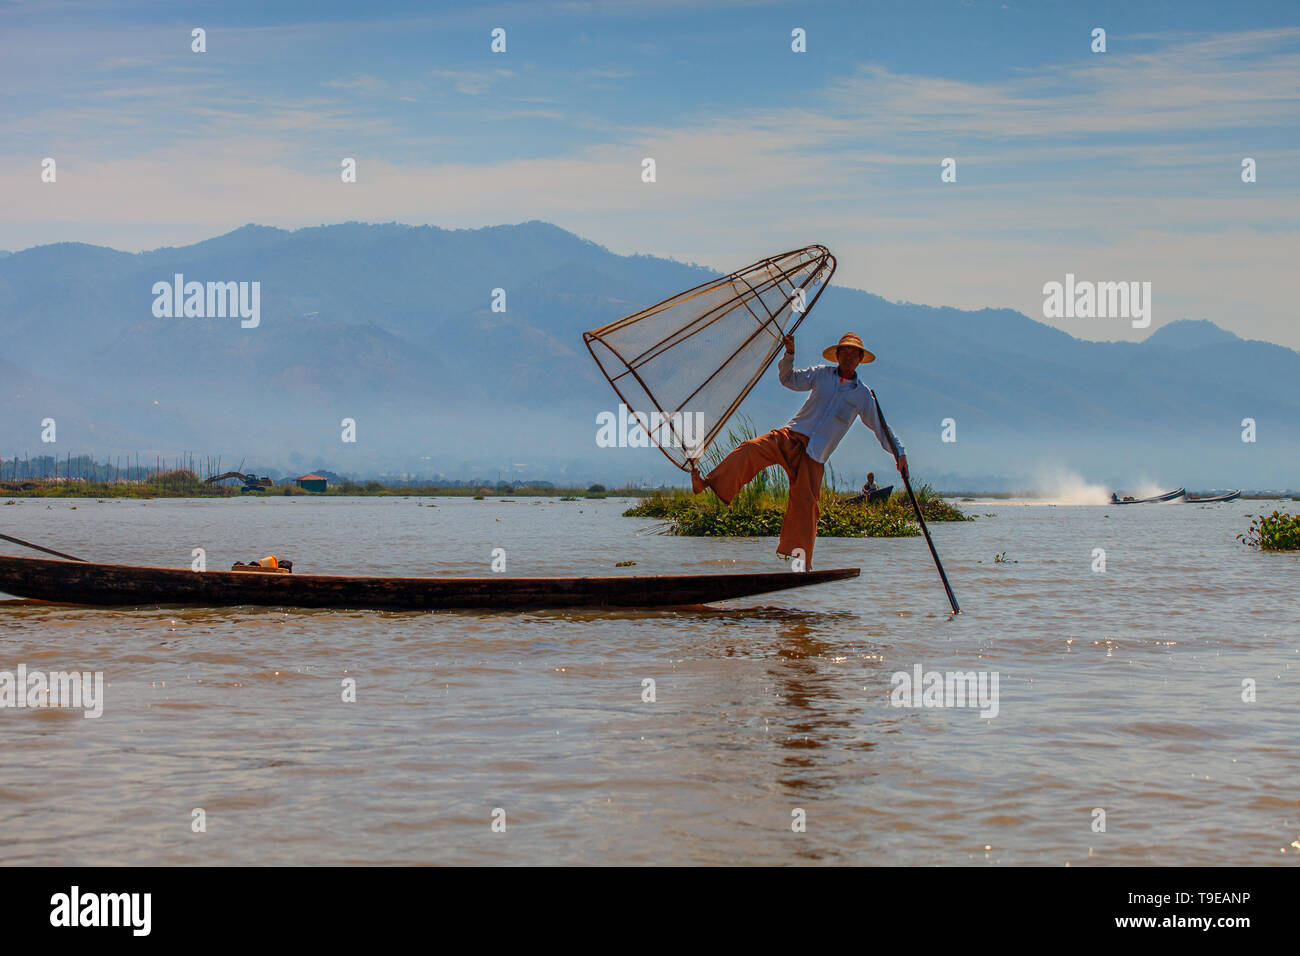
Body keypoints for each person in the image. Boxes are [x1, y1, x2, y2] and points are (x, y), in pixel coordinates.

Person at [690, 332, 907, 569]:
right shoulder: (821, 374)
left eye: (853, 353)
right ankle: (707, 483)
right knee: (751, 449)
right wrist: (789, 354)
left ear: (859, 359)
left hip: (815, 456)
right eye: (844, 352)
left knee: (806, 507)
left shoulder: (862, 395)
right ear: (837, 356)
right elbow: (789, 380)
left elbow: (880, 428)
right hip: (791, 437)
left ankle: (802, 564)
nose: (848, 356)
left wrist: (899, 453)